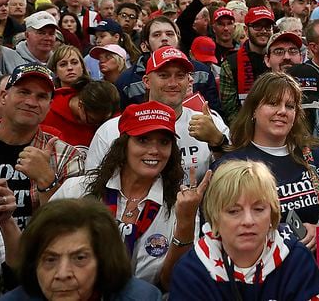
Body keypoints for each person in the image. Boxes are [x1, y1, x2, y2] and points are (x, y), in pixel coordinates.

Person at [53, 100, 210, 289]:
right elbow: (41, 250)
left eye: (164, 142)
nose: (154, 151)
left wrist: (185, 222)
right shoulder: (76, 190)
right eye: (143, 140)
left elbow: (171, 283)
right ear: (123, 145)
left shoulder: (182, 203)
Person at [169, 160, 319, 300]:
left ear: (272, 215)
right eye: (233, 211)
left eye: (258, 209)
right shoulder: (191, 271)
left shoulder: (296, 258)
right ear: (214, 217)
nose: (248, 221)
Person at [217, 72, 319, 250]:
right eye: (273, 103)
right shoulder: (231, 165)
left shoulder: (314, 155)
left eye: (289, 106)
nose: (282, 111)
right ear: (253, 110)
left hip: (312, 264)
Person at [88, 46, 229, 183]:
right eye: (164, 75)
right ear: (146, 81)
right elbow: (93, 185)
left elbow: (234, 179)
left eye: (180, 76)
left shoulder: (210, 123)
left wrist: (218, 142)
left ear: (189, 81)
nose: (173, 83)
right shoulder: (111, 130)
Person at [1, 198, 161, 300]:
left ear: (103, 261)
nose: (63, 274)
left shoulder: (142, 298)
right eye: (50, 260)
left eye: (79, 258)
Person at [0, 63, 84, 230]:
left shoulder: (67, 157)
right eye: (24, 92)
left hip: (38, 254)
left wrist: (47, 180)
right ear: (3, 97)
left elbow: (72, 229)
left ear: (49, 106)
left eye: (42, 96)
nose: (31, 102)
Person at [115, 16, 221, 114]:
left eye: (170, 34)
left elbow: (215, 114)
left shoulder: (202, 72)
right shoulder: (127, 80)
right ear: (144, 45)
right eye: (156, 35)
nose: (164, 38)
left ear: (178, 40)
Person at [220, 6, 275, 122]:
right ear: (246, 30)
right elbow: (230, 110)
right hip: (244, 127)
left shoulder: (282, 59)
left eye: (268, 26)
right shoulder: (230, 64)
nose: (263, 31)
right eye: (257, 26)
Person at [41, 77, 119, 148]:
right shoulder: (46, 113)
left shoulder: (109, 113)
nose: (98, 126)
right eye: (92, 120)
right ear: (80, 105)